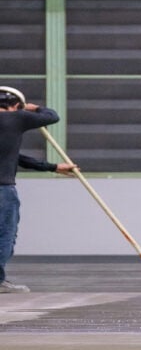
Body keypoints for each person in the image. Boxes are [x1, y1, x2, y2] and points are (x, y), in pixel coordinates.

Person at [0, 88, 77, 293]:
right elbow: (52, 116)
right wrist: (35, 108)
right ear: (16, 106)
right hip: (2, 190)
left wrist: (52, 167)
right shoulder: (17, 118)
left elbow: (16, 157)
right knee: (5, 234)